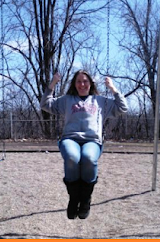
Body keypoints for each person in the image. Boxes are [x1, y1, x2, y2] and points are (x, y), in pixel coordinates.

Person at [40, 70, 128, 220]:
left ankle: (85, 200)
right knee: (72, 157)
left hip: (92, 140)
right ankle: (74, 199)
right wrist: (53, 84)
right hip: (70, 138)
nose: (82, 84)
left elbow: (122, 108)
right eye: (79, 81)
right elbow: (45, 104)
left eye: (85, 81)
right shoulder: (67, 100)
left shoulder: (100, 101)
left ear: (91, 83)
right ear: (74, 84)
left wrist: (112, 89)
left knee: (88, 157)